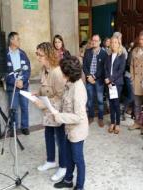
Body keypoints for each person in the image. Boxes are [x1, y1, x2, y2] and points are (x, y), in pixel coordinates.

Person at [53, 56, 89, 190]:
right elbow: (64, 103)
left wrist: (59, 117)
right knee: (68, 156)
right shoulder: (70, 83)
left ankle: (80, 186)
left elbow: (79, 116)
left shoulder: (78, 89)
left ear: (68, 73)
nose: (61, 73)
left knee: (78, 159)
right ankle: (68, 180)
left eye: (62, 71)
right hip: (69, 129)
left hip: (77, 131)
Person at [33, 42, 67, 182]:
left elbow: (61, 96)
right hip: (47, 111)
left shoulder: (57, 72)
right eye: (37, 54)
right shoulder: (44, 70)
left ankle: (64, 166)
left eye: (40, 55)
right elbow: (45, 88)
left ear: (47, 55)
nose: (38, 57)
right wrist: (37, 93)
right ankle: (51, 160)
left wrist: (44, 104)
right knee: (48, 134)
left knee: (60, 139)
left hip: (56, 111)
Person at [5, 31, 31, 136]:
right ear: (11, 40)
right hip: (12, 86)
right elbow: (4, 72)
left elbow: (28, 69)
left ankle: (25, 127)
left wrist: (22, 80)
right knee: (13, 108)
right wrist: (14, 82)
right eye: (18, 39)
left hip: (23, 85)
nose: (19, 41)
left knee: (24, 106)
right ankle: (13, 128)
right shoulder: (5, 55)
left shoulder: (23, 53)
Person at [128, 30, 143, 131]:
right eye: (140, 39)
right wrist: (132, 79)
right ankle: (137, 122)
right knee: (137, 104)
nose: (141, 41)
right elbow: (132, 66)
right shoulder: (135, 50)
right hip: (137, 81)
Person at [82, 34, 108, 127]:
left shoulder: (104, 53)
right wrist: (88, 76)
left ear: (100, 42)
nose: (94, 42)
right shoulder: (87, 51)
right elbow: (84, 65)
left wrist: (94, 76)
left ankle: (100, 118)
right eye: (93, 40)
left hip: (99, 80)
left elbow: (102, 69)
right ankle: (91, 116)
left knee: (100, 100)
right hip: (89, 79)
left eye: (96, 41)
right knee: (90, 100)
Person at [104, 36, 126, 134]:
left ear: (119, 44)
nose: (113, 44)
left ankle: (117, 123)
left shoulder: (122, 56)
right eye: (112, 42)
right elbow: (105, 69)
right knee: (111, 103)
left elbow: (121, 71)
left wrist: (110, 79)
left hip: (117, 83)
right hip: (109, 83)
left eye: (115, 42)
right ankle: (112, 122)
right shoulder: (108, 56)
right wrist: (107, 79)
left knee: (116, 103)